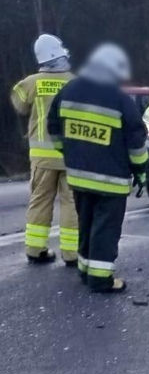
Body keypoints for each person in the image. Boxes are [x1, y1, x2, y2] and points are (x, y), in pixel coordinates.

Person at [47, 44, 147, 293]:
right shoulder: (119, 99)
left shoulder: (68, 91)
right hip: (110, 181)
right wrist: (141, 171)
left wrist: (68, 152)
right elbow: (136, 141)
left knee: (87, 223)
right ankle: (101, 279)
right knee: (105, 228)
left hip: (79, 176)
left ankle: (85, 270)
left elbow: (53, 126)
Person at [10, 35, 79, 267]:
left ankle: (35, 250)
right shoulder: (75, 82)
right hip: (70, 156)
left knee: (40, 201)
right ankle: (71, 254)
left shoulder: (31, 83)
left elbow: (19, 105)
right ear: (60, 55)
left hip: (42, 157)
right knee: (71, 203)